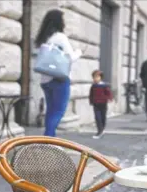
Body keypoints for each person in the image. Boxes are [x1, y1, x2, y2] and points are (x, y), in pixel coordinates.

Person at [35, 9, 83, 137]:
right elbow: (70, 58)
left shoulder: (43, 38)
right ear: (59, 22)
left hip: (45, 80)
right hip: (59, 79)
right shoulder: (60, 37)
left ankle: (49, 139)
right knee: (58, 111)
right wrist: (79, 52)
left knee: (51, 111)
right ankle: (48, 140)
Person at [89, 70, 113, 139]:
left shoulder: (104, 85)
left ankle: (102, 128)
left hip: (103, 103)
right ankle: (99, 131)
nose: (95, 79)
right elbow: (91, 94)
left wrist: (109, 98)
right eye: (94, 77)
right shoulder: (93, 86)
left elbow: (108, 93)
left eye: (97, 77)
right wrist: (91, 101)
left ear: (100, 77)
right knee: (97, 117)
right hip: (96, 104)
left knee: (103, 117)